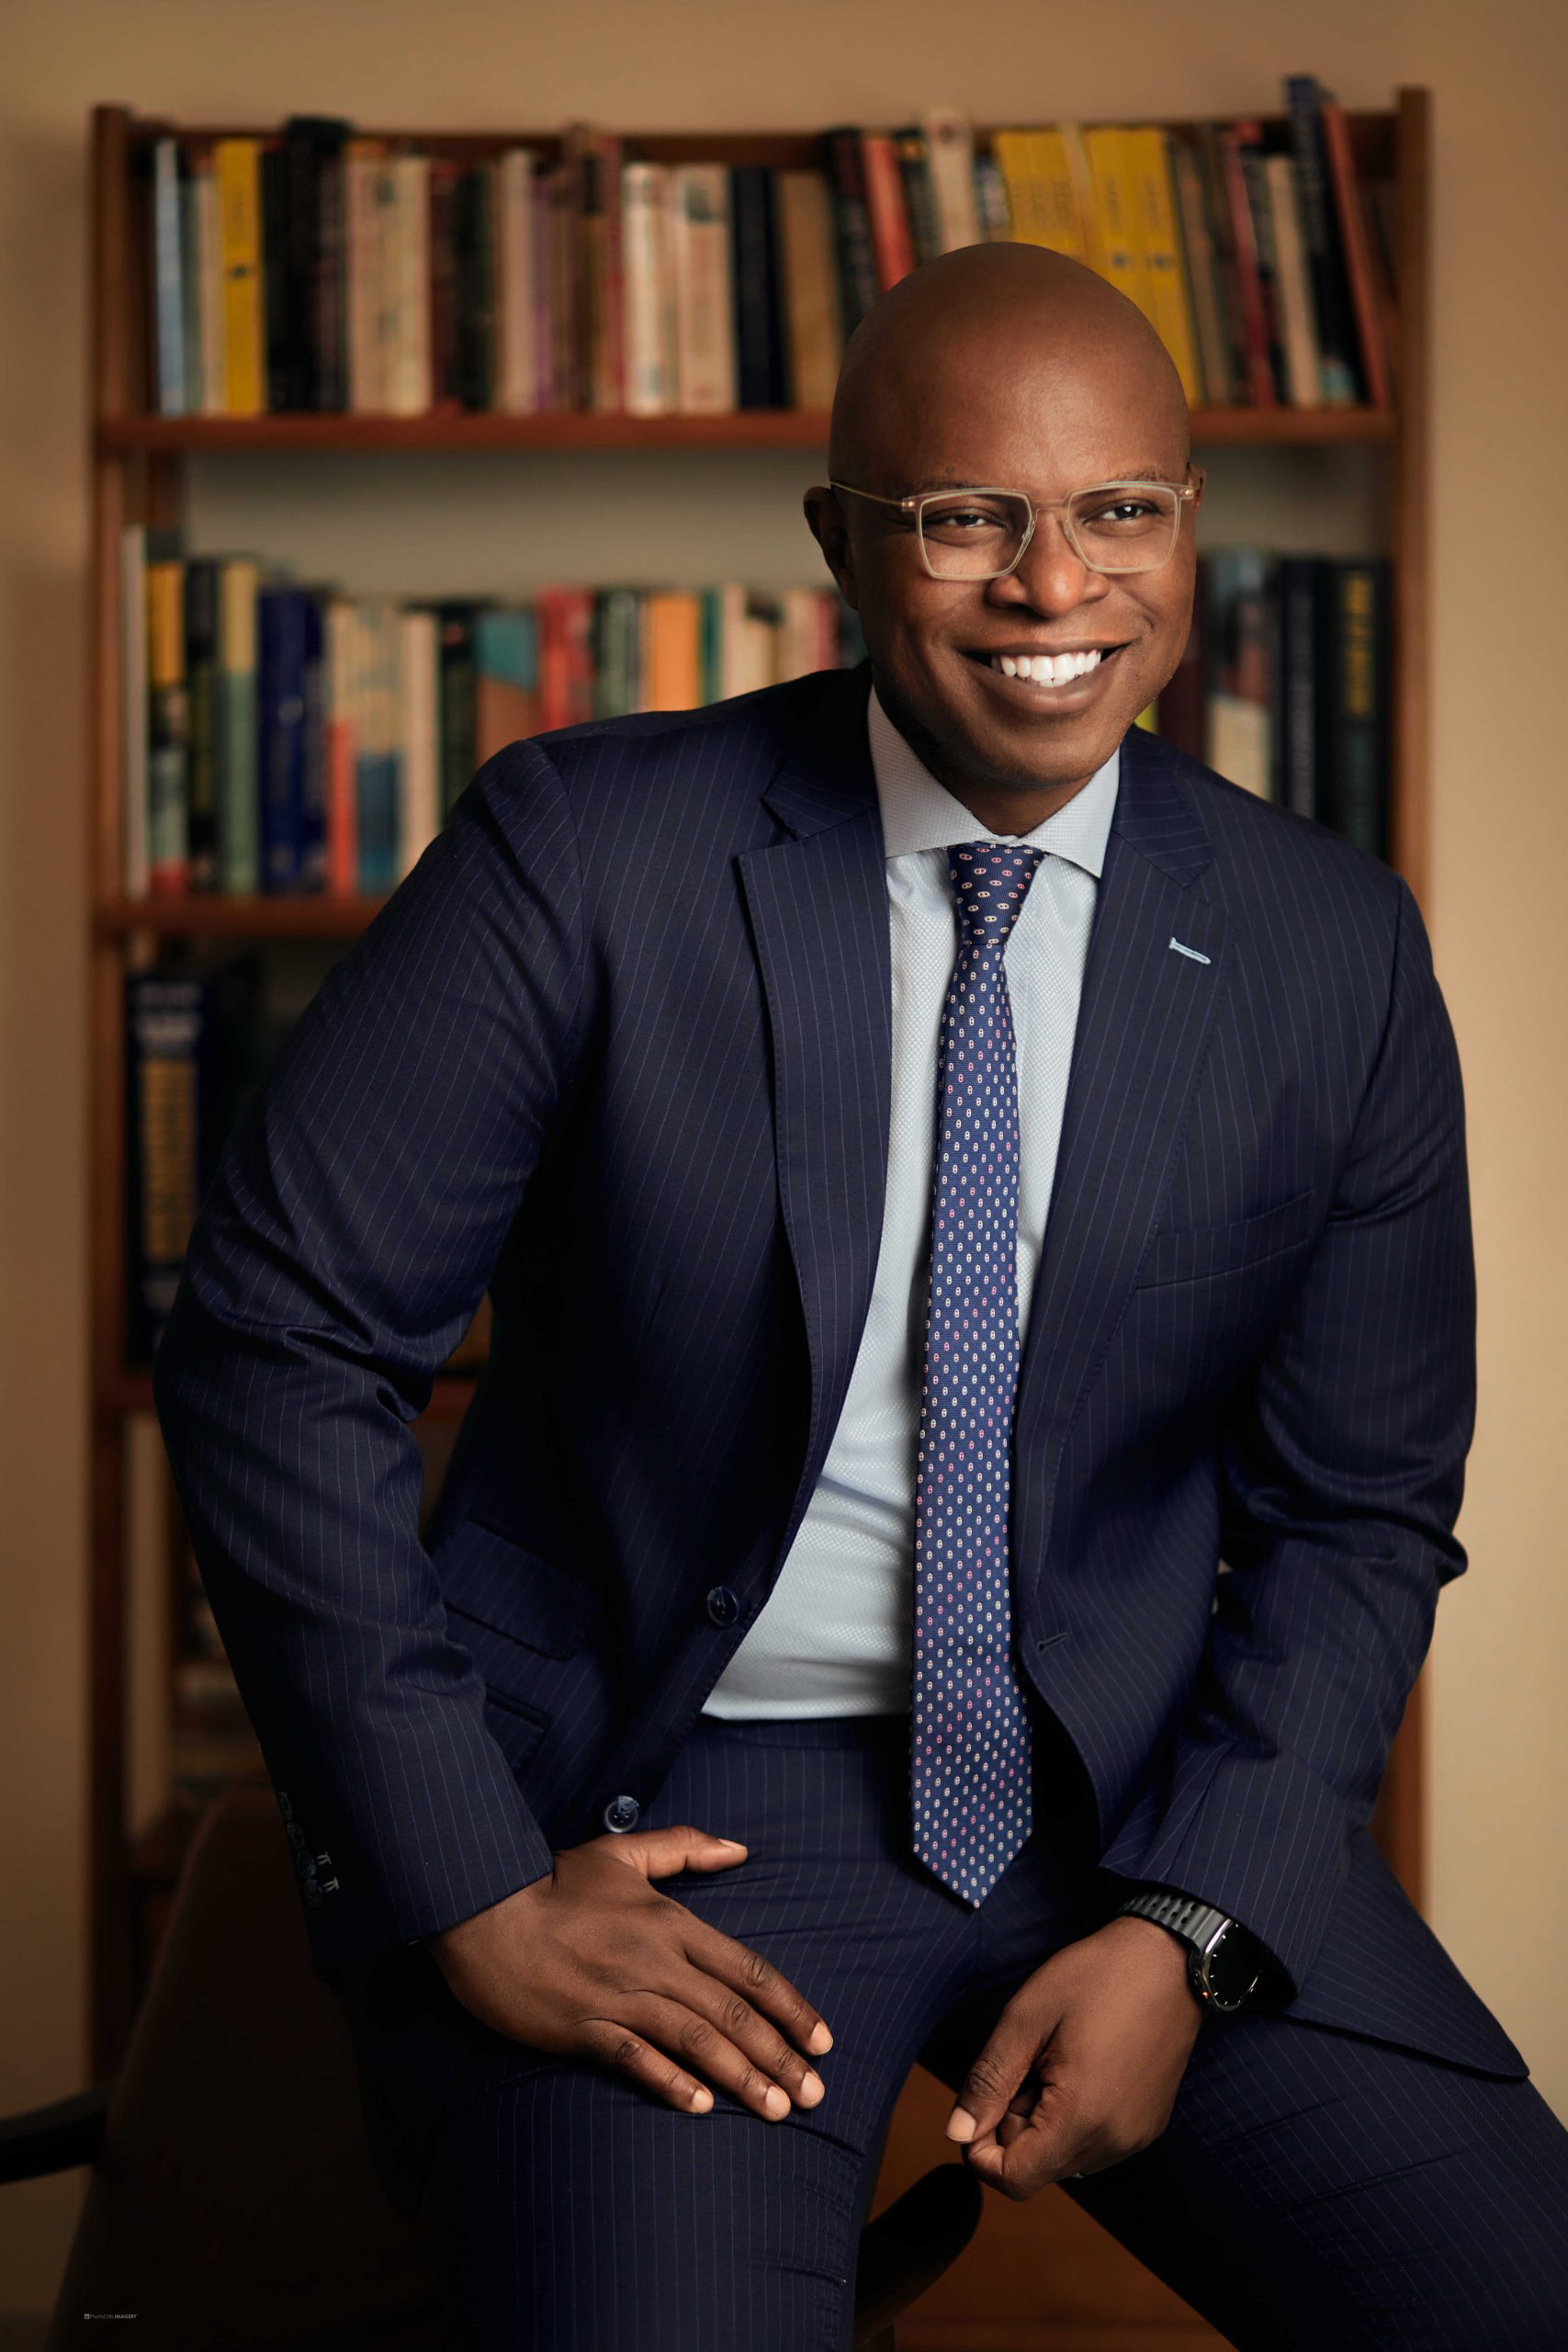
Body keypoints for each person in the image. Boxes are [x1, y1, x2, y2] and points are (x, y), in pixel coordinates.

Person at [152, 243, 1568, 2350]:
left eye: (1115, 510)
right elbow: (276, 1341)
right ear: (840, 540)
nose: (1049, 582)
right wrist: (468, 1876)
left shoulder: (1322, 947)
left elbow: (1356, 1505)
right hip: (676, 1797)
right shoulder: (586, 848)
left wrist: (1188, 1922)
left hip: (1123, 1795)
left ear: (1184, 527)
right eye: (964, 514)